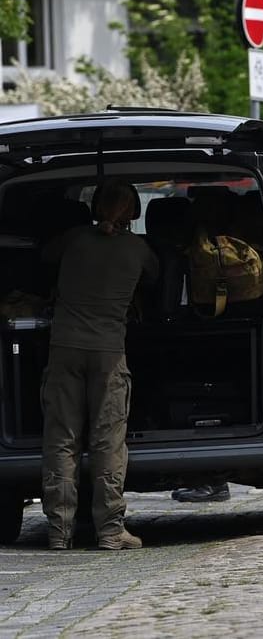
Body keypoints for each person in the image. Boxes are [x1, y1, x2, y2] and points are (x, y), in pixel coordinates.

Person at [40, 182, 157, 550]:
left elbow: (43, 257)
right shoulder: (139, 249)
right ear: (132, 212)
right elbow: (155, 278)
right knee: (108, 440)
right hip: (108, 352)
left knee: (62, 440)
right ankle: (109, 530)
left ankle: (59, 532)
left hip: (64, 348)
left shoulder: (73, 240)